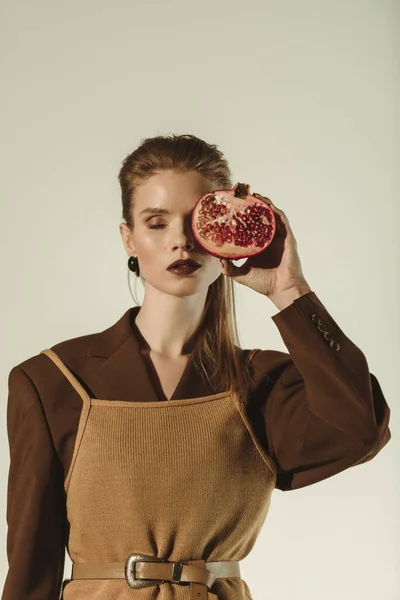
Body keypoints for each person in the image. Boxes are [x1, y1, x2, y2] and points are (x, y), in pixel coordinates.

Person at [2, 134, 391, 600]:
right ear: (128, 238)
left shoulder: (262, 384)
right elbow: (32, 567)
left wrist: (289, 289)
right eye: (157, 223)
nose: (182, 240)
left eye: (196, 222)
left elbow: (360, 430)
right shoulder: (52, 380)